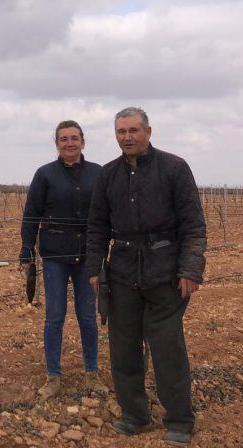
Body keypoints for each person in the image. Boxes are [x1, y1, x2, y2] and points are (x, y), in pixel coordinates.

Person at [86, 107, 206, 446]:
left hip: (166, 274)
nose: (127, 137)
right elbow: (97, 225)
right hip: (122, 272)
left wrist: (191, 269)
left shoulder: (174, 168)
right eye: (121, 131)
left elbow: (194, 225)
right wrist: (95, 267)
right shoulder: (108, 175)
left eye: (134, 130)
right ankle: (135, 416)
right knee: (123, 349)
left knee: (168, 348)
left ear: (149, 132)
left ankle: (180, 420)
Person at [20, 120, 109, 400]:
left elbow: (108, 214)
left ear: (83, 142)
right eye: (63, 139)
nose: (69, 143)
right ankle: (53, 377)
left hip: (88, 256)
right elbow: (31, 214)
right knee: (54, 317)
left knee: (87, 317)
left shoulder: (99, 173)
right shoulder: (45, 174)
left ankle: (92, 373)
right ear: (56, 143)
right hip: (55, 254)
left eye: (74, 138)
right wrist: (26, 250)